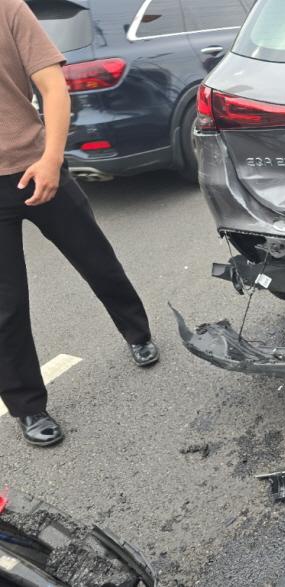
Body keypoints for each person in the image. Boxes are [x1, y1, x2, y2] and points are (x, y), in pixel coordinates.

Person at [0, 0, 159, 447]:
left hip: (38, 165)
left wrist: (52, 159)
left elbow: (53, 87)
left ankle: (137, 332)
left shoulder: (9, 9)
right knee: (5, 305)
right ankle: (28, 407)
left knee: (97, 261)